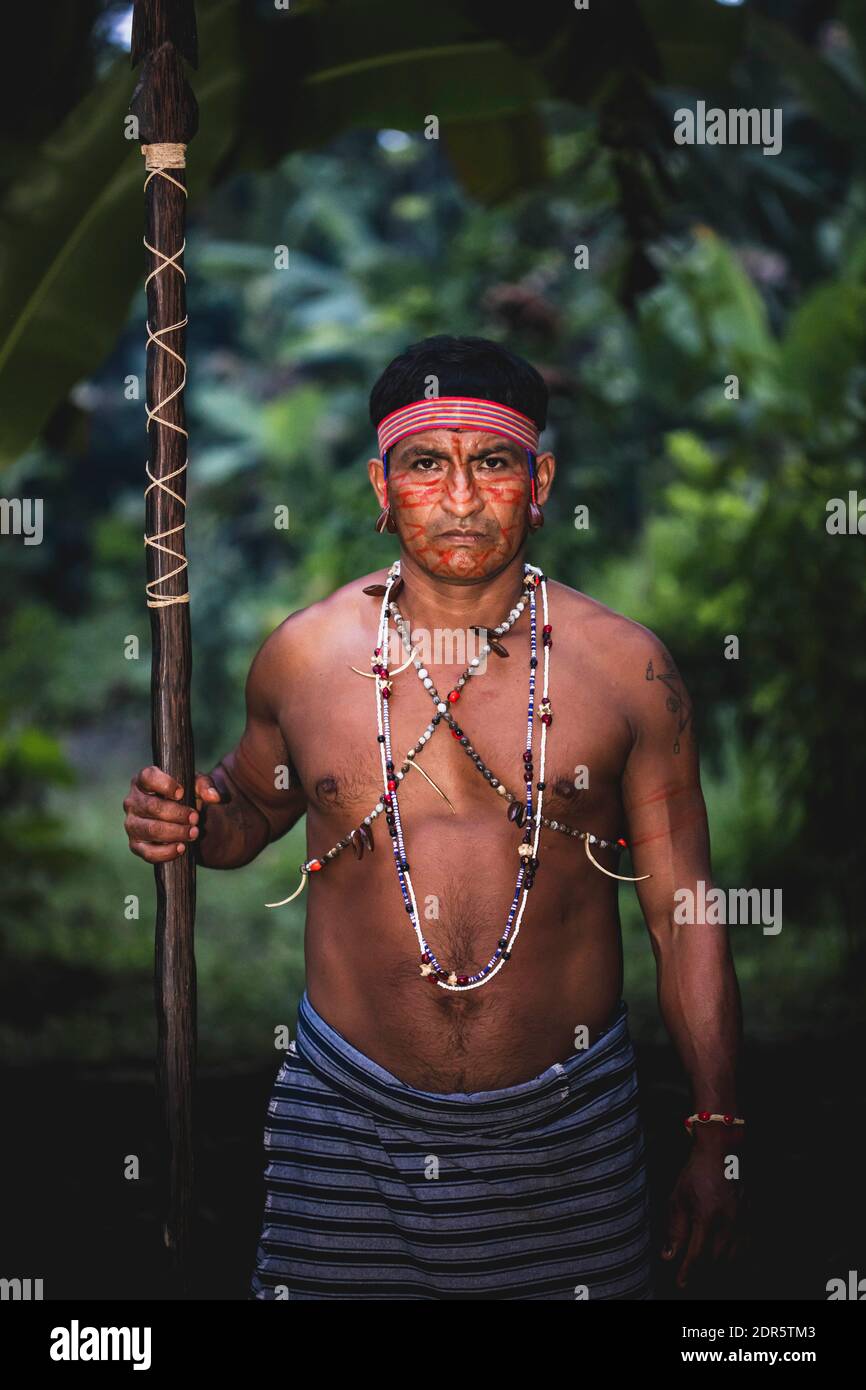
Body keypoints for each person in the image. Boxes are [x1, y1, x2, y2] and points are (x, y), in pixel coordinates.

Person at [123, 334, 745, 1300]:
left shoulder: (628, 672)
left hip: (567, 1140)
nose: (459, 496)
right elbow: (249, 806)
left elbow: (685, 916)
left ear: (539, 481)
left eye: (491, 462)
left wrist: (714, 1131)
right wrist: (191, 824)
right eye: (425, 464)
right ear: (382, 486)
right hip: (346, 1131)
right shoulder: (305, 658)